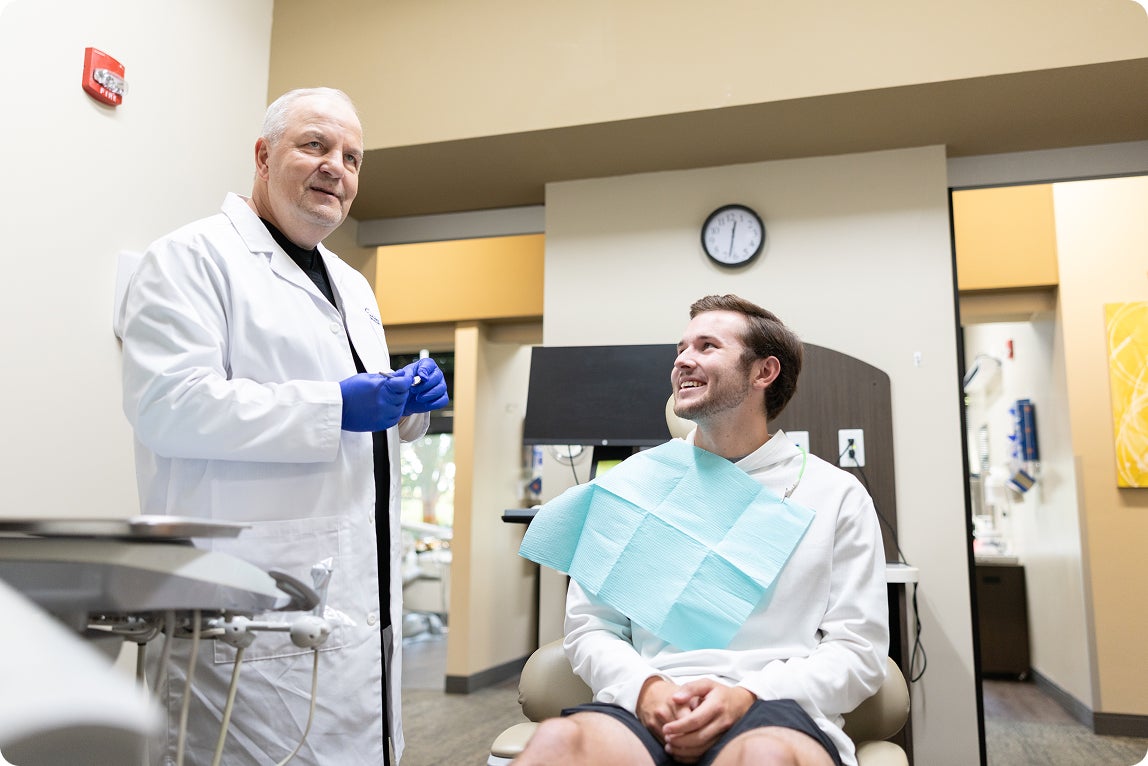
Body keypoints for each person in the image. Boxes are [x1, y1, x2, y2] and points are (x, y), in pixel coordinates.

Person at [119, 87, 448, 765]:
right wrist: (336, 406)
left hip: (354, 608)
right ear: (264, 157)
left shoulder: (354, 287)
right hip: (242, 619)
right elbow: (168, 406)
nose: (337, 168)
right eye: (316, 146)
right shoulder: (190, 259)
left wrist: (406, 410)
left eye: (352, 158)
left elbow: (361, 430)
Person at [516, 294, 889, 766]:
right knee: (555, 744)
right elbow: (591, 627)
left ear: (763, 372)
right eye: (681, 348)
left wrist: (750, 694)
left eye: (707, 346)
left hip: (775, 706)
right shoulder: (633, 485)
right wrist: (647, 689)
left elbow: (858, 649)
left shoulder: (834, 494)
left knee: (765, 757)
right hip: (648, 703)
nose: (682, 361)